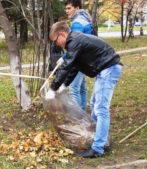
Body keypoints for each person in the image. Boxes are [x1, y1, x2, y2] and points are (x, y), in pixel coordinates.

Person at [46, 21, 122, 158]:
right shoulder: (75, 41)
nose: (57, 44)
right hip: (105, 70)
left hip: (109, 69)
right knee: (94, 104)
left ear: (62, 34)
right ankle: (92, 137)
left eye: (56, 40)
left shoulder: (75, 41)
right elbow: (75, 66)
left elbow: (68, 65)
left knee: (101, 108)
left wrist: (53, 88)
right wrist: (64, 85)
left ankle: (98, 148)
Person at [56, 0, 92, 112]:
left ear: (77, 8)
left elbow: (75, 46)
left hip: (79, 58)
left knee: (74, 89)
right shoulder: (85, 19)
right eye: (66, 8)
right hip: (85, 57)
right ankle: (83, 115)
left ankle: (77, 119)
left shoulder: (77, 23)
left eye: (69, 8)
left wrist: (64, 57)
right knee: (81, 89)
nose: (67, 11)